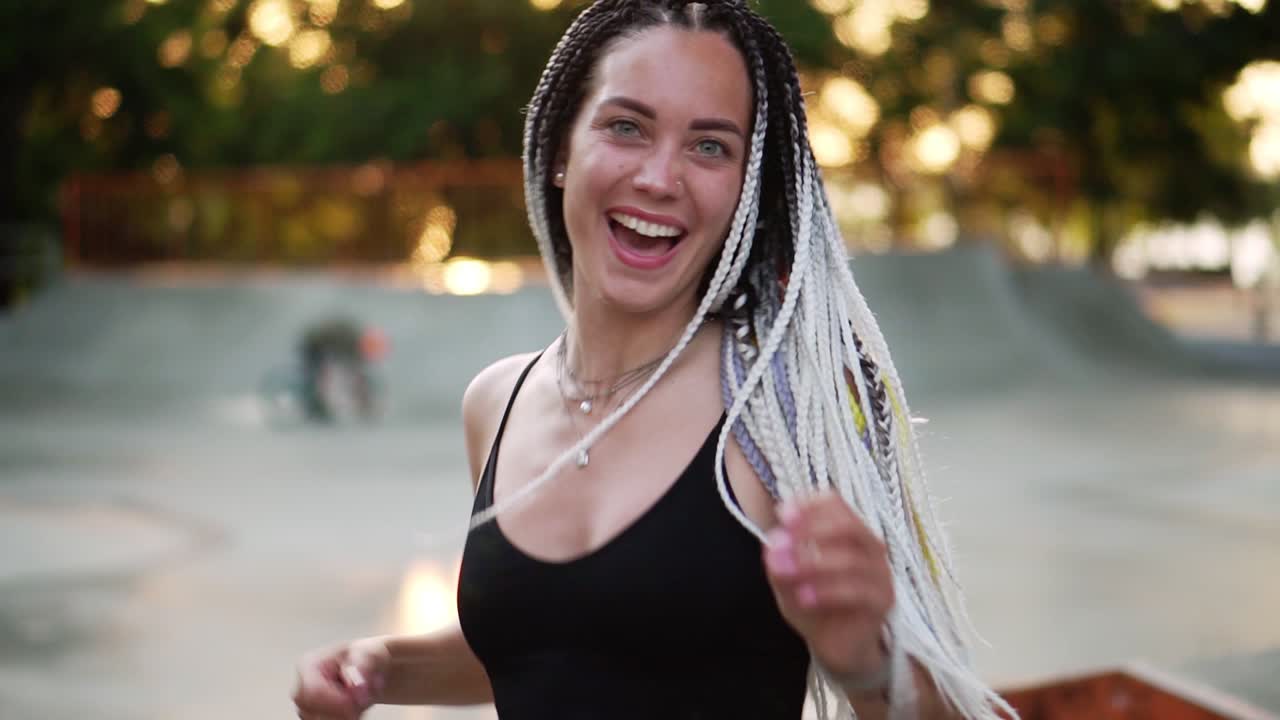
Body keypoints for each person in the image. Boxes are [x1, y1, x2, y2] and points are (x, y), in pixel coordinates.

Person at [292, 2, 1014, 718]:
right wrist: (384, 666)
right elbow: (541, 645)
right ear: (558, 150)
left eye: (709, 146)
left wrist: (866, 666)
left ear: (744, 190)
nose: (660, 179)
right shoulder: (496, 401)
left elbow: (943, 702)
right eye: (627, 126)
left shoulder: (789, 410)